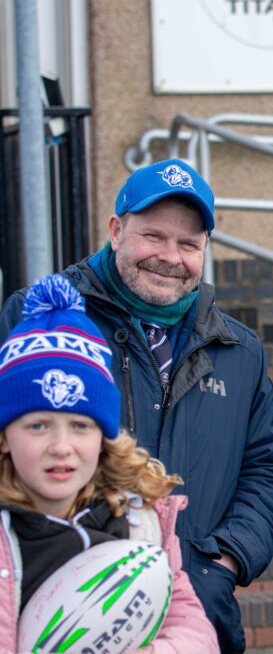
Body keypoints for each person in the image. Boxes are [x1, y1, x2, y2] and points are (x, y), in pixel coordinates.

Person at [0, 159, 273, 652]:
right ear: (116, 230)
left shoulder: (239, 350)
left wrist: (223, 561)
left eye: (188, 244)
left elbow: (265, 467)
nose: (169, 257)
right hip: (53, 618)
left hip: (195, 610)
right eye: (153, 236)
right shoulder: (42, 324)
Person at [0, 274, 218, 653]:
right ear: (5, 437)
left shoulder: (140, 518)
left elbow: (194, 631)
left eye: (81, 426)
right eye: (38, 426)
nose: (61, 447)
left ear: (104, 437)